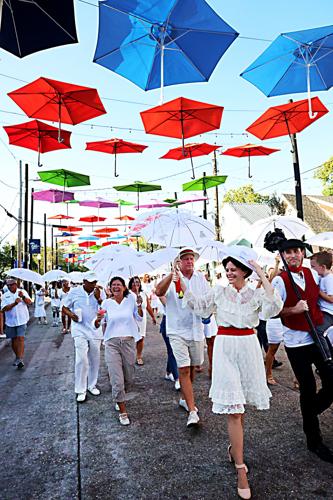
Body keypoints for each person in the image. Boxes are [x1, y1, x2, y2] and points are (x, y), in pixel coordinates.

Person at [179, 247, 283, 499]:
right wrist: (180, 280)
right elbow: (199, 306)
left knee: (242, 406)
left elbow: (274, 306)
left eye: (234, 268)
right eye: (227, 269)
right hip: (225, 348)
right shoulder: (219, 292)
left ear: (245, 271)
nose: (229, 272)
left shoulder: (256, 293)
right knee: (234, 409)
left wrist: (261, 271)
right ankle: (240, 469)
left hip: (248, 349)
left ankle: (234, 449)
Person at [272, 239, 333, 463]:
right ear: (283, 256)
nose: (293, 255)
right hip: (296, 342)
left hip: (318, 336)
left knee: (331, 380)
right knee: (307, 387)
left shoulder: (312, 273)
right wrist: (293, 309)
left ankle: (311, 412)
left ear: (302, 253)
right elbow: (272, 312)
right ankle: (314, 440)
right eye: (288, 252)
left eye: (296, 251)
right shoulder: (280, 280)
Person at [155, 248, 211, 428]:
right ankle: (192, 411)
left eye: (191, 259)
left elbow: (207, 299)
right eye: (185, 259)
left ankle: (185, 398)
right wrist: (172, 275)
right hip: (177, 330)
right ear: (178, 262)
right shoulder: (171, 278)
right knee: (184, 370)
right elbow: (158, 292)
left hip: (195, 329)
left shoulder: (200, 278)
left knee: (193, 367)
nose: (189, 261)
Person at [94, 276, 143, 426]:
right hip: (111, 343)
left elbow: (139, 318)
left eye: (119, 285)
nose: (116, 287)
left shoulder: (131, 299)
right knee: (117, 378)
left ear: (124, 287)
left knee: (129, 376)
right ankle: (122, 410)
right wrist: (97, 319)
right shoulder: (106, 303)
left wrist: (140, 306)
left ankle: (119, 395)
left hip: (128, 342)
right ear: (110, 287)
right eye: (113, 285)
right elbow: (98, 324)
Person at [62, 271, 105, 403]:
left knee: (94, 358)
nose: (93, 285)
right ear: (84, 281)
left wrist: (99, 298)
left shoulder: (100, 292)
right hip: (79, 329)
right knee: (81, 359)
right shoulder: (74, 292)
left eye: (94, 282)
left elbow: (104, 309)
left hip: (95, 329)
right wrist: (71, 315)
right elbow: (64, 307)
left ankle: (92, 385)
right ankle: (80, 390)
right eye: (90, 282)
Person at [1, 278, 32, 369]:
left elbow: (30, 302)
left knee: (20, 338)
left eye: (11, 284)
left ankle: (20, 359)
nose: (10, 286)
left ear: (16, 284)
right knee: (14, 340)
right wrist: (14, 303)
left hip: (22, 320)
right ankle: (17, 356)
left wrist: (23, 297)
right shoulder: (5, 295)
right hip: (11, 322)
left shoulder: (22, 292)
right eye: (8, 285)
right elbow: (3, 309)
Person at [128, 275, 156, 366]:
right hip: (131, 318)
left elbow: (148, 306)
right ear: (131, 283)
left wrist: (153, 316)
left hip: (142, 319)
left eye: (137, 282)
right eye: (134, 282)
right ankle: (129, 355)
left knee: (141, 338)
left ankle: (139, 356)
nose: (136, 284)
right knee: (130, 338)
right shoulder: (127, 294)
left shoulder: (143, 294)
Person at [158, 296, 180, 390]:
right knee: (172, 350)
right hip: (168, 322)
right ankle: (178, 378)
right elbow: (168, 304)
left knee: (172, 350)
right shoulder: (165, 288)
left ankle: (168, 372)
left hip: (180, 322)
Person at [310, 251, 333, 335]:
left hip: (329, 313)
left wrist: (317, 290)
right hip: (323, 311)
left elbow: (331, 299)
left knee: (317, 330)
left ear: (323, 267)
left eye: (313, 266)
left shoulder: (329, 279)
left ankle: (324, 348)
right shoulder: (322, 277)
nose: (311, 269)